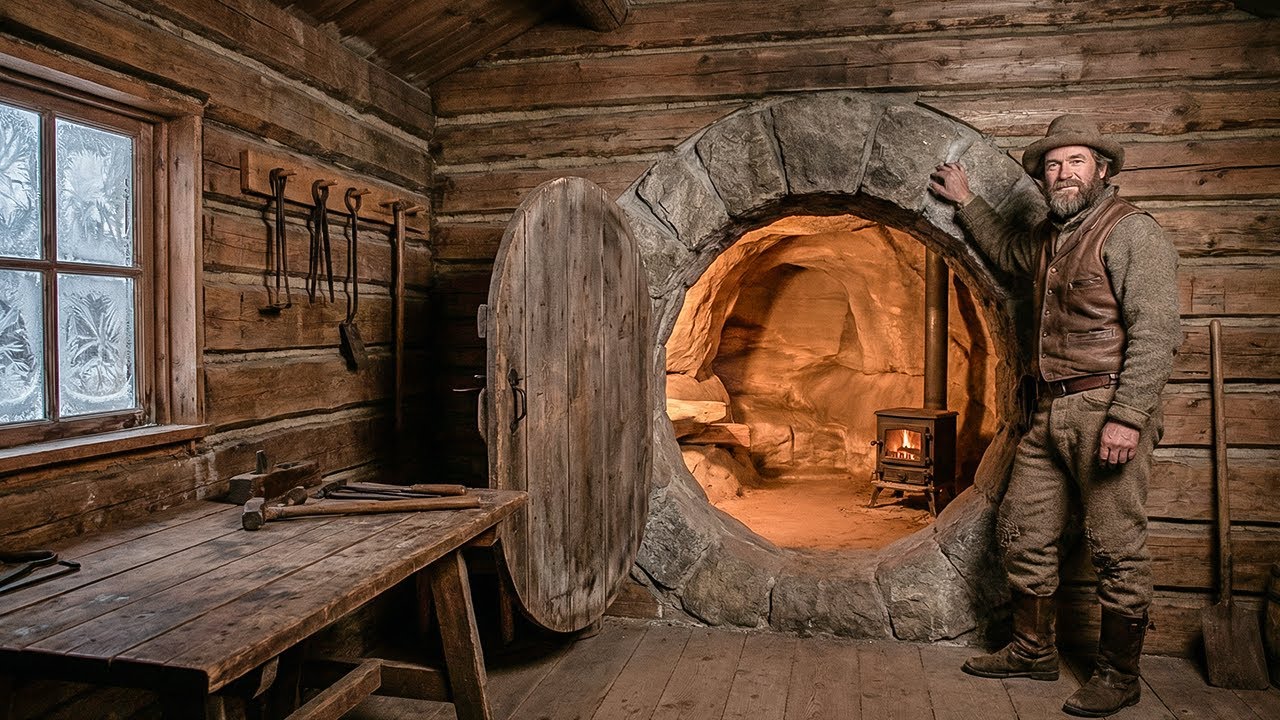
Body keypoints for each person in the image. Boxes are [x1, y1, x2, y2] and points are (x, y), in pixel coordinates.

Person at [928, 115, 1180, 718]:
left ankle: (1120, 675)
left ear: (1103, 170)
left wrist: (1128, 417)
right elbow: (1012, 253)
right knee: (1022, 527)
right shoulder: (1050, 237)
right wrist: (968, 203)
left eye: (1076, 162)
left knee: (1116, 546)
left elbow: (1157, 332)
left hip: (1105, 408)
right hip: (1048, 409)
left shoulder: (1131, 234)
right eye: (1052, 165)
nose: (1062, 174)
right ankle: (1033, 650)